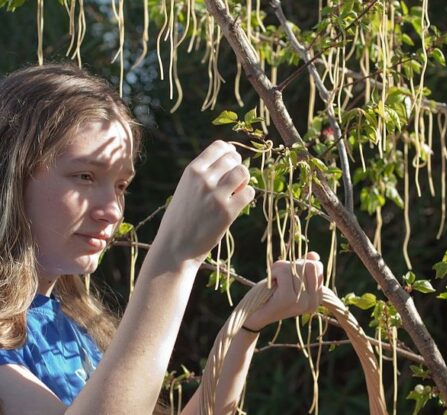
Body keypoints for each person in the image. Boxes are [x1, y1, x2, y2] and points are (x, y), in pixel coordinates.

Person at [0, 63, 324, 414]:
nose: (111, 210)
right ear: (11, 175)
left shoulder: (72, 324)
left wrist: (246, 326)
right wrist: (175, 258)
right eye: (85, 176)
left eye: (121, 185)